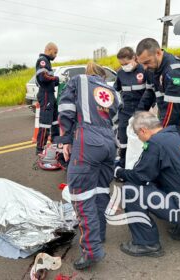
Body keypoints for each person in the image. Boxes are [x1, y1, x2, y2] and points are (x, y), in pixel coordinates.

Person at [114, 111, 180, 257]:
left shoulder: (155, 143)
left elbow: (140, 176)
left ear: (143, 130)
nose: (139, 138)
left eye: (137, 134)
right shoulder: (176, 138)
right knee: (166, 178)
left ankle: (146, 243)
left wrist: (118, 171)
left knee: (130, 189)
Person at [57, 62, 118, 270]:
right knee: (101, 191)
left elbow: (66, 109)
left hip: (88, 141)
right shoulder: (112, 90)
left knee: (81, 196)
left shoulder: (79, 81)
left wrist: (65, 140)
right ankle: (99, 235)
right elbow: (116, 118)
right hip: (110, 144)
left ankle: (92, 252)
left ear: (88, 73)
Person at [136, 38, 180, 145]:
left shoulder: (175, 71)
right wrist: (138, 116)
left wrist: (160, 130)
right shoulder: (152, 69)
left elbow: (173, 107)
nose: (145, 67)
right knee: (164, 150)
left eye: (147, 62)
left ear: (158, 53)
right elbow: (149, 93)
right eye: (142, 64)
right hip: (166, 114)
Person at [114, 47, 146, 167]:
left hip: (141, 110)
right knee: (123, 137)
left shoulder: (143, 70)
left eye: (126, 63)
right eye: (121, 64)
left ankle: (139, 164)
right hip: (125, 110)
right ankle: (123, 163)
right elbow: (115, 91)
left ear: (134, 58)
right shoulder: (120, 73)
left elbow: (151, 92)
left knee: (140, 138)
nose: (124, 66)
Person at [35, 42, 66, 155]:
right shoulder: (42, 60)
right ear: (48, 50)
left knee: (55, 122)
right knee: (45, 123)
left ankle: (55, 144)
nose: (56, 55)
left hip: (50, 95)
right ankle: (40, 148)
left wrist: (57, 81)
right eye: (55, 52)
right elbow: (43, 77)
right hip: (46, 95)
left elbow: (49, 79)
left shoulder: (47, 62)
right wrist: (56, 78)